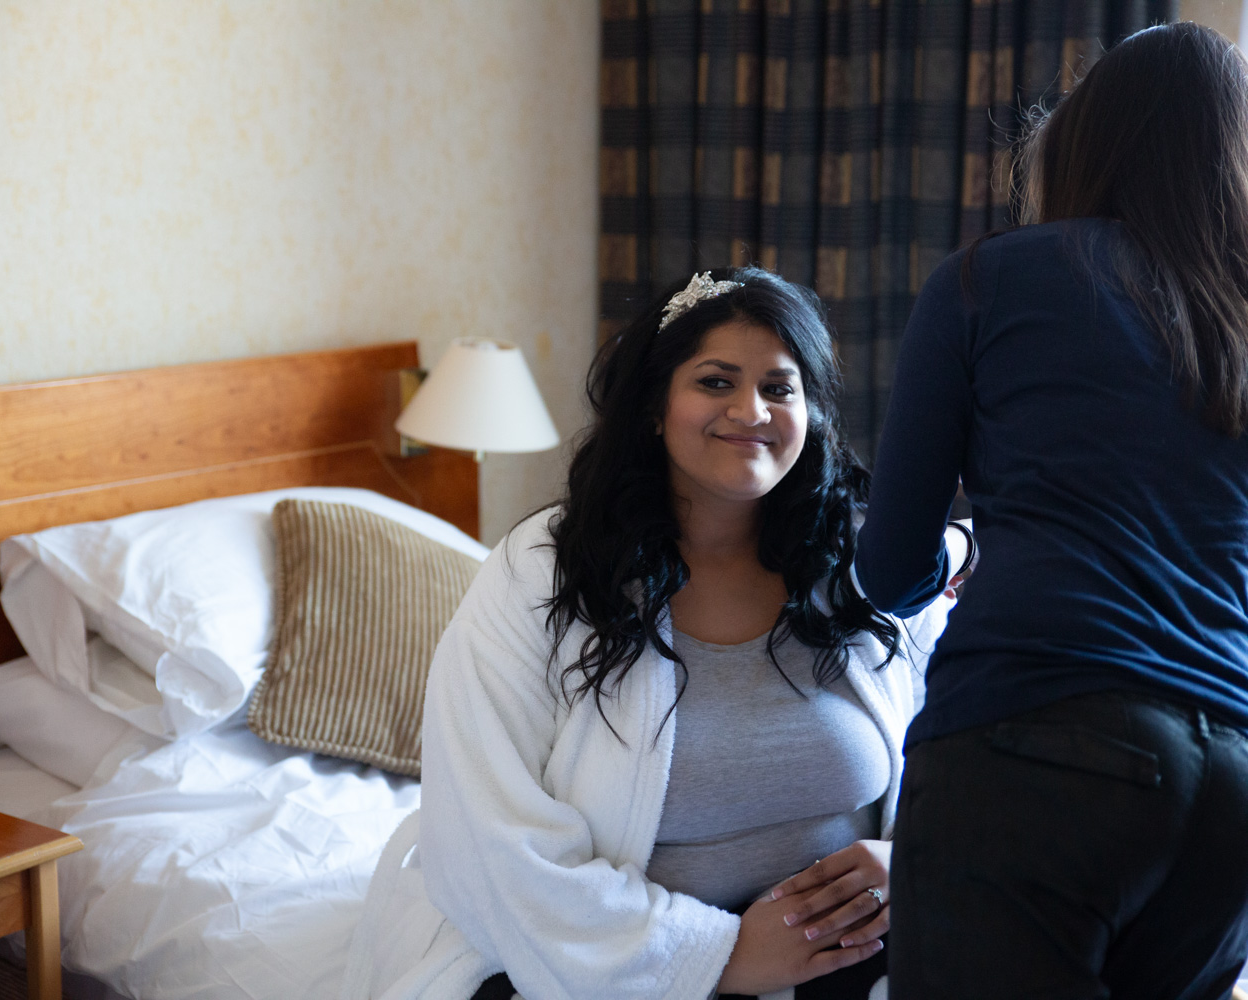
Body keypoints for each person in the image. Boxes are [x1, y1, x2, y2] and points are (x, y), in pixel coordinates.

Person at [772, 21, 1248, 1000]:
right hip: (1231, 782)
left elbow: (889, 567)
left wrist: (953, 554)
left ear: (1081, 141)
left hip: (1037, 741)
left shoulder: (989, 280)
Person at [339, 267, 951, 1000]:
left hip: (852, 950)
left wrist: (909, 859)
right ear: (656, 407)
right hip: (612, 960)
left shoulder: (860, 562)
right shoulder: (544, 575)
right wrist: (716, 955)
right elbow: (492, 834)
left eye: (779, 388)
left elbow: (953, 756)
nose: (751, 410)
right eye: (716, 382)